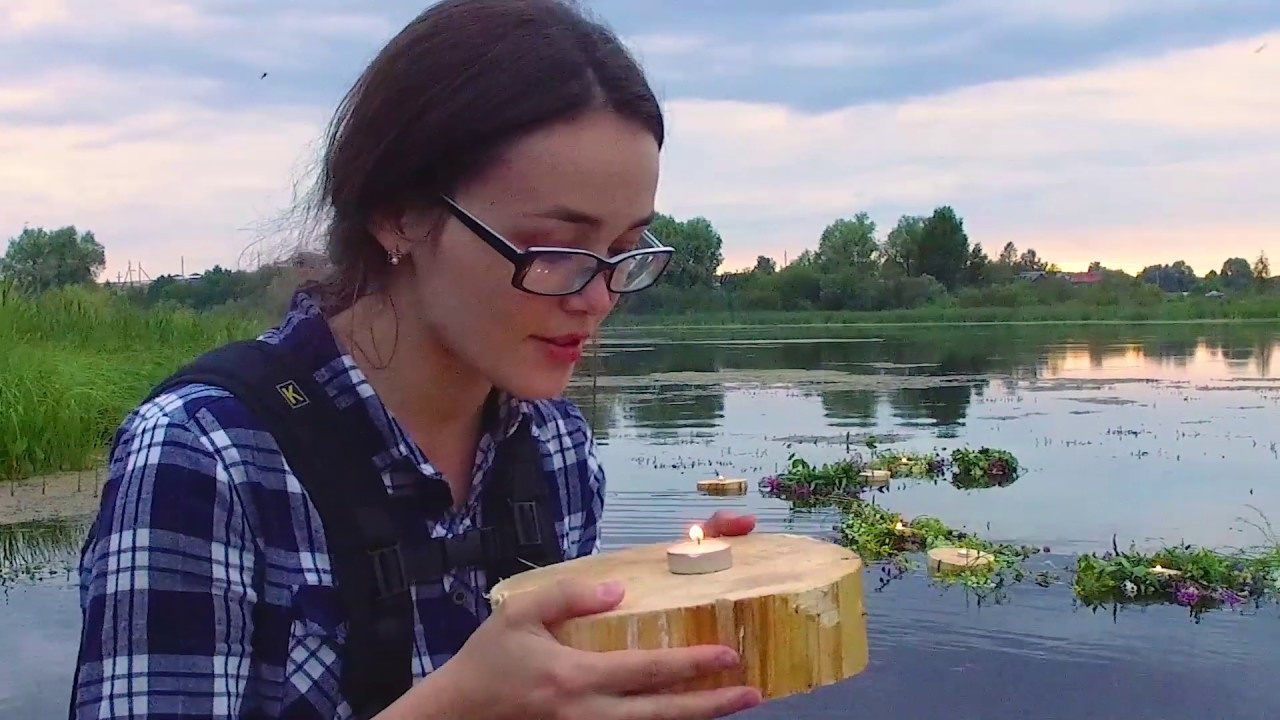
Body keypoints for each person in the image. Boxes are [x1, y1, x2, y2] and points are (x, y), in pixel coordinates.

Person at [68, 0, 763, 718]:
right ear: (398, 213)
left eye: (622, 253)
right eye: (556, 250)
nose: (597, 300)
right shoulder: (205, 457)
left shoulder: (556, 448)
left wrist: (665, 602)